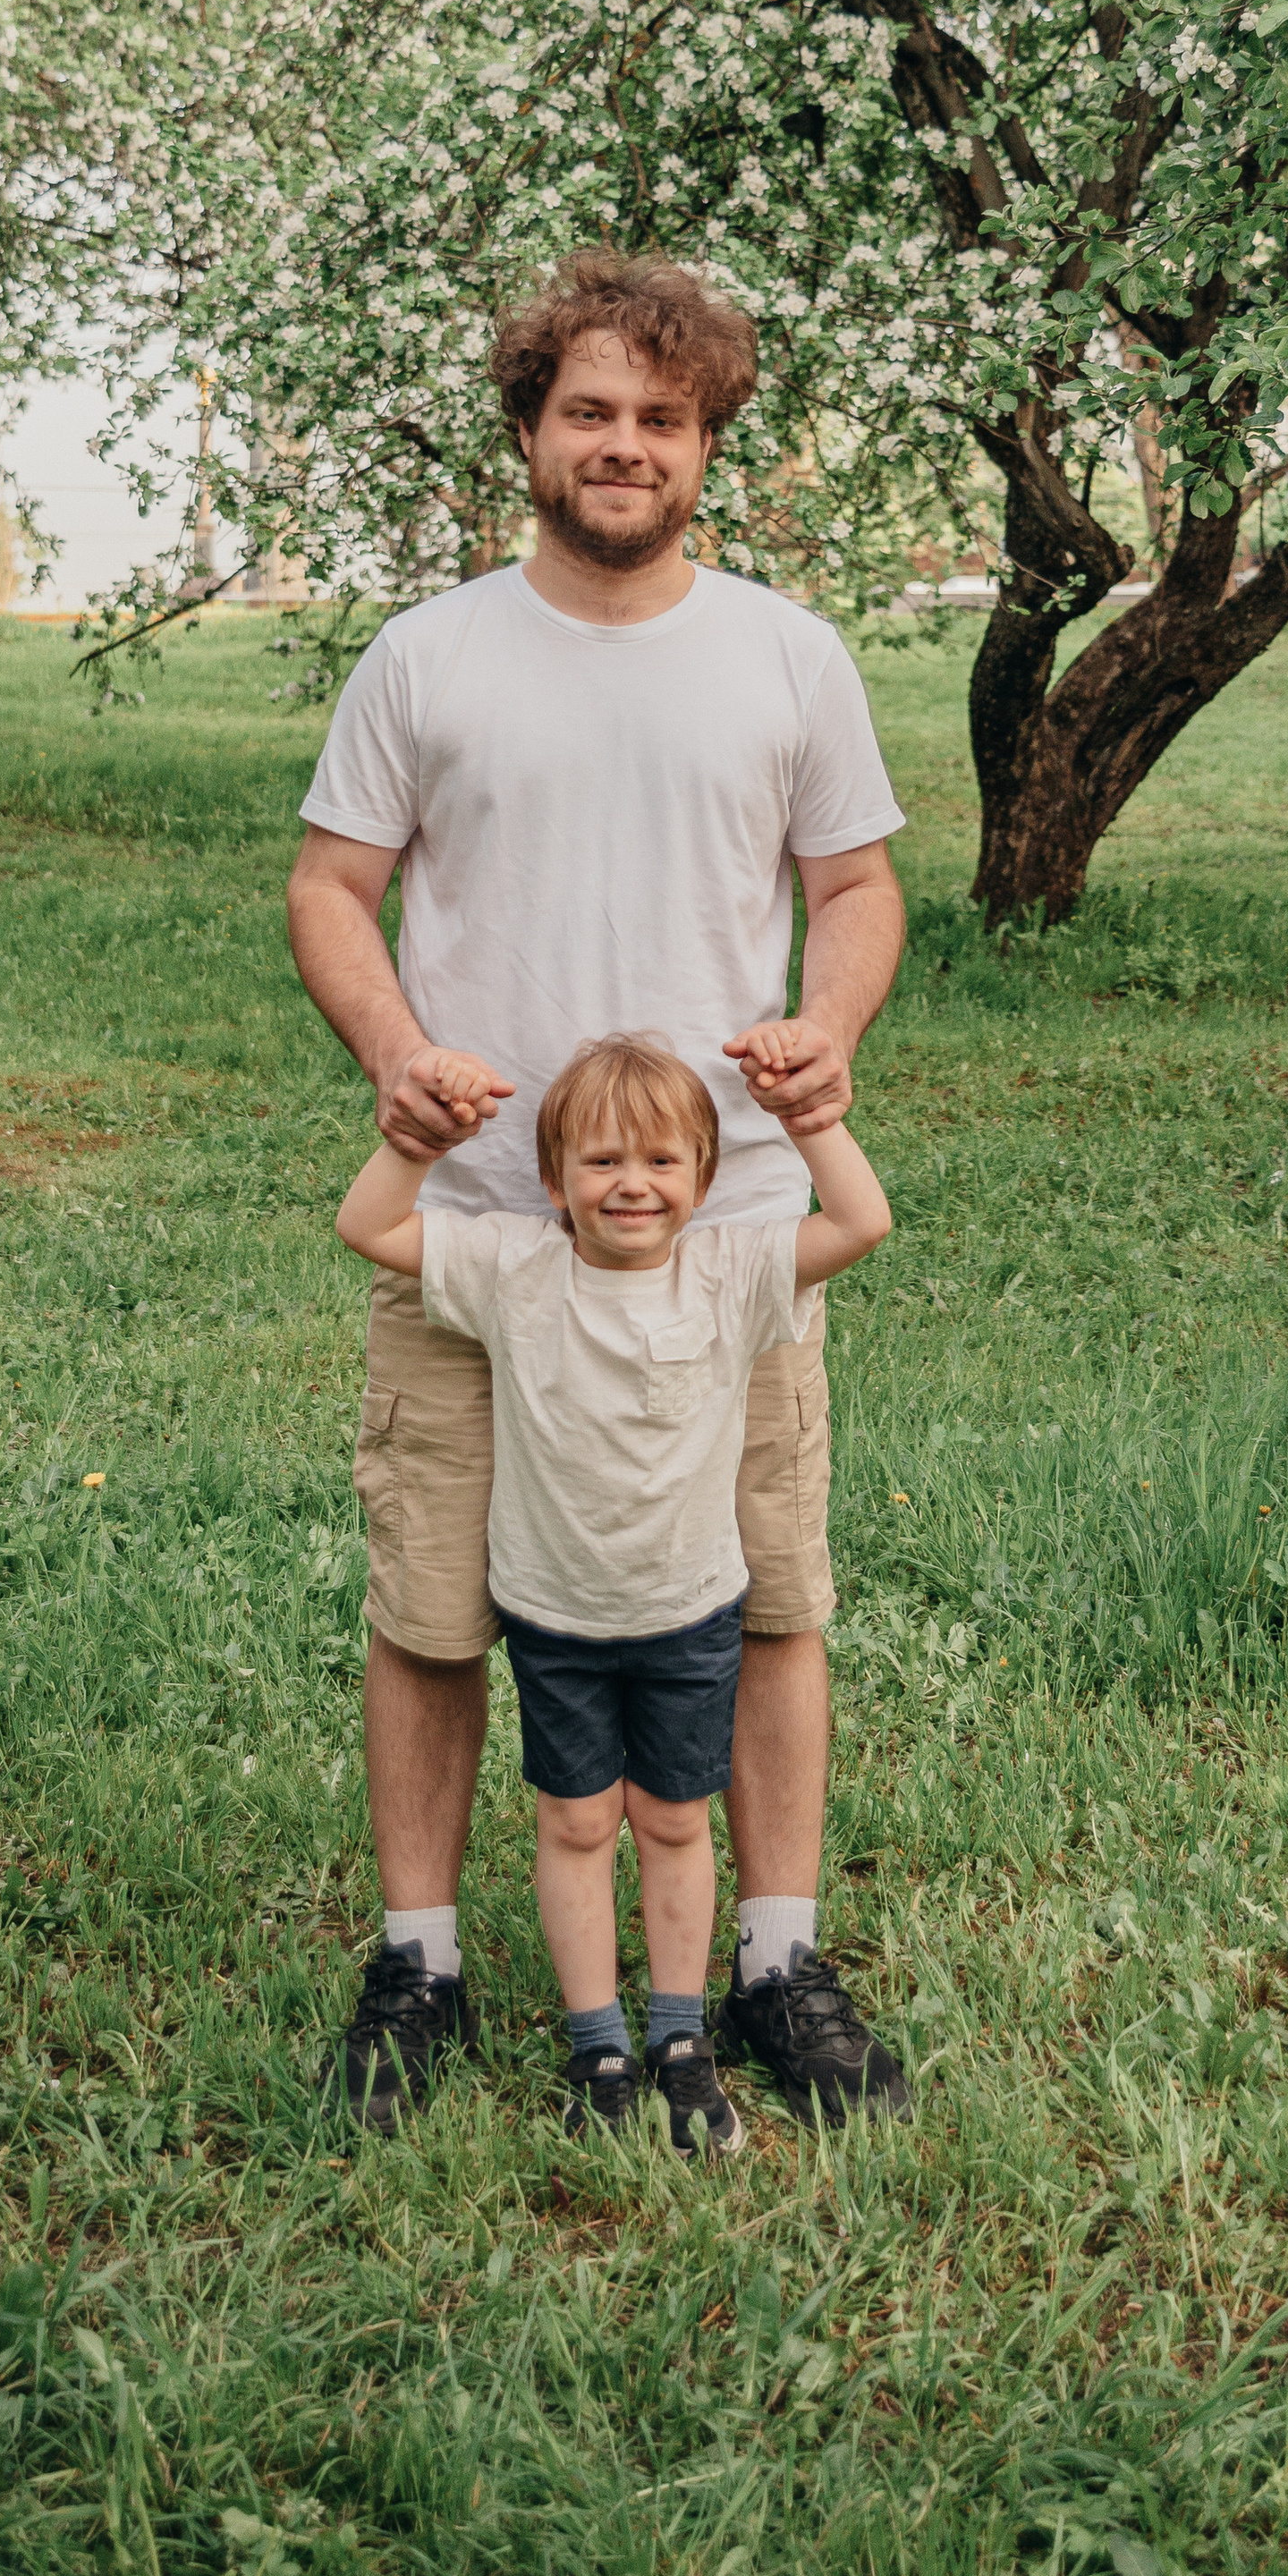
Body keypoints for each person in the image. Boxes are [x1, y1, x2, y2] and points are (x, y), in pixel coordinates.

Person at [288, 245, 911, 2135]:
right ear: (530, 432)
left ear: (706, 442)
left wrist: (828, 1032)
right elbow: (330, 885)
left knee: (765, 1594)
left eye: (660, 414)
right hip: (480, 1222)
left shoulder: (788, 656)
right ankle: (419, 1961)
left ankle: (774, 1961)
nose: (622, 442)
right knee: (433, 1602)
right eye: (588, 410)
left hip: (726, 1236)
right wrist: (398, 1055)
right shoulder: (429, 654)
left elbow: (856, 888)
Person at [335, 1027, 891, 2142]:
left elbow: (861, 1221)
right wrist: (414, 1140)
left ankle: (680, 2041)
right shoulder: (511, 1268)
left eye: (660, 1161)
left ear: (703, 1181)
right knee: (578, 1823)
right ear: (553, 1182)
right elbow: (368, 1227)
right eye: (600, 1161)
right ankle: (597, 2047)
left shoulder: (730, 1274)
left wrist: (809, 1118)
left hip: (690, 1617)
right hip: (556, 1620)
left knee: (676, 1824)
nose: (631, 1183)